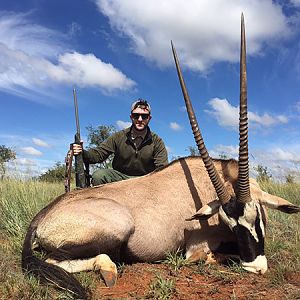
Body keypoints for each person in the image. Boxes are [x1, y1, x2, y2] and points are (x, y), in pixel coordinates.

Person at [73, 98, 168, 185]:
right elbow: (98, 155)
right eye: (136, 115)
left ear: (149, 118)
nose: (140, 119)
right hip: (120, 179)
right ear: (131, 117)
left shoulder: (157, 141)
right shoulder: (118, 136)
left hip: (145, 181)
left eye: (144, 116)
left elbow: (162, 169)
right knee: (99, 176)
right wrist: (82, 152)